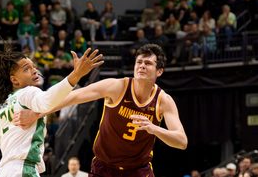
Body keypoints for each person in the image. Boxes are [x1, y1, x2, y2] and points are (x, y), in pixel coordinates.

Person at [15, 44, 187, 177]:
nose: (141, 66)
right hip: (104, 167)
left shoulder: (163, 100)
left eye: (148, 63)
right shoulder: (116, 87)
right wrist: (37, 114)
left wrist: (153, 128)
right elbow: (73, 97)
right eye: (139, 62)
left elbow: (181, 141)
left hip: (138, 170)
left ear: (159, 71)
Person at [0, 42, 103, 177]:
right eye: (26, 69)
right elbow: (48, 101)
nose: (34, 70)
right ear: (14, 80)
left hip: (4, 171)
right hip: (23, 168)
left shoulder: (3, 110)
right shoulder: (28, 92)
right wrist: (75, 75)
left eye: (34, 66)